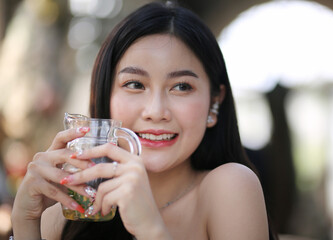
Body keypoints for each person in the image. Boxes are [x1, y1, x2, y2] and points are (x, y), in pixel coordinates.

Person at [11, 1, 275, 239]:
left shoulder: (229, 188)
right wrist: (25, 225)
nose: (156, 110)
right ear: (106, 96)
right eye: (135, 84)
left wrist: (151, 229)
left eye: (182, 87)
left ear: (214, 103)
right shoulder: (73, 214)